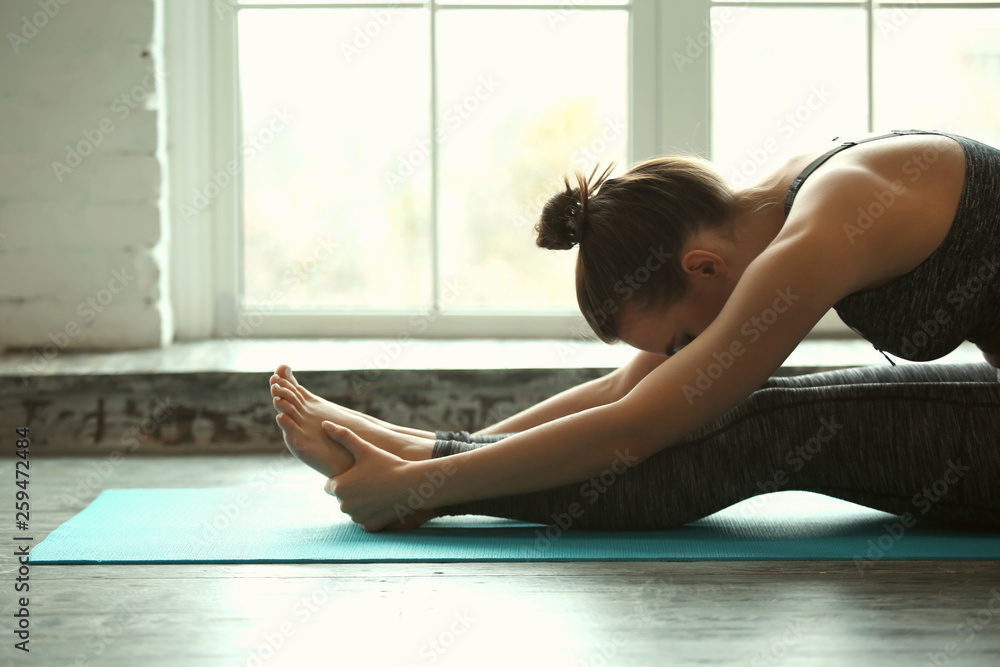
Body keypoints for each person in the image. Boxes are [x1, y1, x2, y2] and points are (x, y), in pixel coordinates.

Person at [269, 129, 1000, 532]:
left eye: (679, 338)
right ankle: (412, 458)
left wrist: (424, 485)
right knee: (731, 413)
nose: (677, 357)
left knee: (758, 427)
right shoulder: (786, 199)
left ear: (702, 264)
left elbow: (635, 427)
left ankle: (421, 483)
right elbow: (633, 387)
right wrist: (429, 451)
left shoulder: (822, 226)